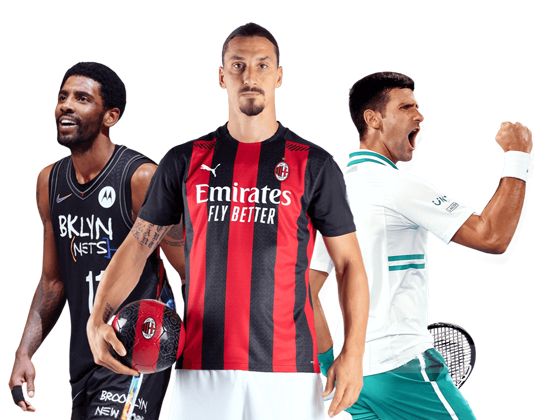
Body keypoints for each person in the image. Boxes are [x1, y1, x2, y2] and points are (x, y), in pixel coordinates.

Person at [86, 23, 369, 420]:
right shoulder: (184, 161)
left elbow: (350, 263)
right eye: (238, 65)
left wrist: (353, 353)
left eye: (262, 65)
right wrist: (97, 319)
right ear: (222, 77)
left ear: (278, 77)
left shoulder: (315, 165)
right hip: (201, 368)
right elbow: (137, 246)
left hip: (289, 370)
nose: (250, 76)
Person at [310, 72, 533, 420]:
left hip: (354, 376)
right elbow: (493, 236)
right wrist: (518, 155)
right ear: (373, 119)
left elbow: (304, 290)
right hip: (401, 366)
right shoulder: (397, 185)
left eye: (417, 106)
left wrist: (330, 365)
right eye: (406, 107)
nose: (419, 115)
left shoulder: (331, 193)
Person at [9, 62, 185, 420]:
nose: (66, 105)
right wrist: (25, 352)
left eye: (81, 98)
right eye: (63, 97)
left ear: (110, 116)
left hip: (135, 350)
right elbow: (53, 281)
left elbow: (191, 268)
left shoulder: (141, 179)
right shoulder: (49, 183)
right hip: (83, 355)